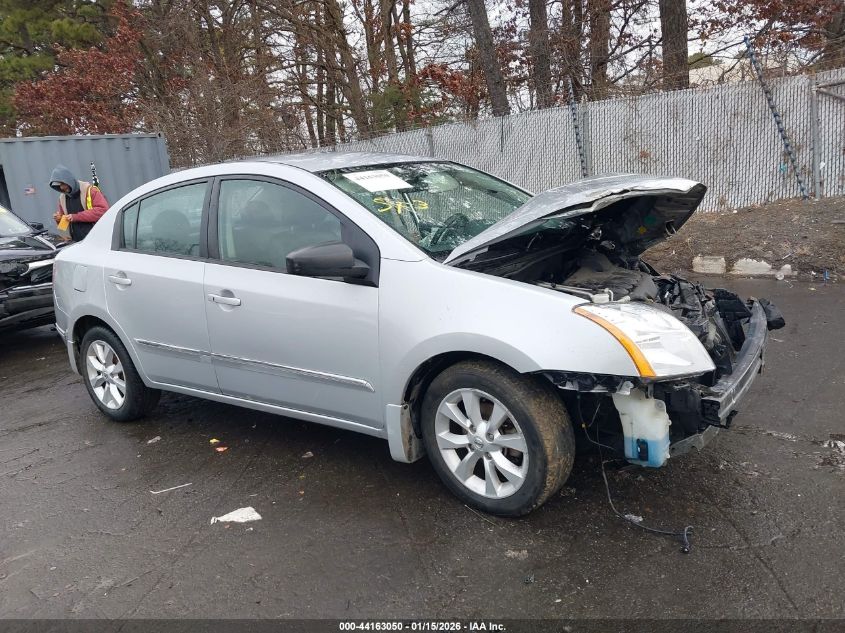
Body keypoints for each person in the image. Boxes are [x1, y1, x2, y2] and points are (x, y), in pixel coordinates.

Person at [49, 164, 109, 241]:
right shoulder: (62, 198)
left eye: (63, 183)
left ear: (69, 180)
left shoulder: (90, 191)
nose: (62, 187)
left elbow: (103, 211)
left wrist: (76, 217)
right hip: (76, 243)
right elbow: (64, 224)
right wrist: (59, 219)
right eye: (60, 185)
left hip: (97, 239)